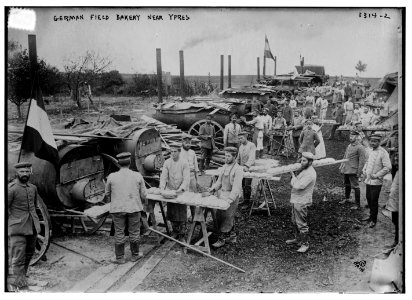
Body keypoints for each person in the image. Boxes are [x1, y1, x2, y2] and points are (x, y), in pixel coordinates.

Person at [105, 152, 147, 264]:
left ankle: (119, 258)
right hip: (134, 208)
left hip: (117, 209)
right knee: (134, 232)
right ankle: (135, 255)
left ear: (118, 163)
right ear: (130, 163)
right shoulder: (138, 176)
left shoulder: (111, 176)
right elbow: (144, 195)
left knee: (119, 233)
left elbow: (107, 194)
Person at [8, 162, 41, 290]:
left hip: (32, 226)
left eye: (27, 171)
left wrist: (36, 224)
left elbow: (33, 206)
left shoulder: (33, 188)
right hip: (17, 229)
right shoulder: (11, 189)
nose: (25, 174)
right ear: (17, 173)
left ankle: (23, 278)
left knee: (29, 253)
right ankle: (19, 284)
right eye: (22, 172)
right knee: (18, 258)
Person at [208, 147, 244, 248]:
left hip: (231, 196)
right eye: (225, 156)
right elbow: (219, 182)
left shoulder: (238, 169)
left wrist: (230, 200)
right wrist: (213, 189)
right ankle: (232, 236)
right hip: (222, 194)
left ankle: (222, 239)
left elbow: (236, 188)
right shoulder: (224, 167)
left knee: (227, 217)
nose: (226, 158)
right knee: (220, 216)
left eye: (228, 156)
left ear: (234, 156)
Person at [286, 152, 317, 253]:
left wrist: (292, 175)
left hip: (302, 200)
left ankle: (305, 244)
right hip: (296, 199)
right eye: (301, 160)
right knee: (294, 220)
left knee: (301, 223)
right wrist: (294, 175)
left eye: (304, 161)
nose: (301, 162)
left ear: (310, 162)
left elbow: (299, 186)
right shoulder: (305, 170)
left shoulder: (310, 173)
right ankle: (298, 239)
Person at [160, 145, 190, 242]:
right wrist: (162, 188)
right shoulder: (167, 162)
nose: (173, 153)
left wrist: (181, 189)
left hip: (181, 191)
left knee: (181, 213)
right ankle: (175, 231)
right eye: (171, 151)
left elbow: (186, 178)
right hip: (171, 190)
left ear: (179, 152)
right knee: (172, 212)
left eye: (175, 151)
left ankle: (182, 234)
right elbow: (163, 176)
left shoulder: (184, 163)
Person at [361, 134, 392, 228]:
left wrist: (377, 175)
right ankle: (370, 216)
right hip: (368, 180)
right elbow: (367, 161)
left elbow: (388, 167)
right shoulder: (370, 150)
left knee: (374, 200)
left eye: (375, 141)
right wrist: (364, 170)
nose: (372, 143)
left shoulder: (383, 153)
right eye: (371, 141)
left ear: (379, 142)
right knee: (369, 198)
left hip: (376, 181)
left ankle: (373, 220)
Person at [339, 131, 367, 210]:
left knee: (355, 186)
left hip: (353, 170)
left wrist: (359, 172)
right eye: (350, 136)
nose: (351, 137)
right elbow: (345, 157)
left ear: (357, 137)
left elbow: (362, 161)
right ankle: (347, 199)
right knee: (347, 184)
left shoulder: (360, 147)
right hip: (346, 169)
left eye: (353, 136)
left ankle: (357, 204)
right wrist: (342, 166)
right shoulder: (349, 146)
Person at [381, 152, 399, 248]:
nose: (396, 161)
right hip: (395, 203)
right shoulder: (397, 172)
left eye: (398, 159)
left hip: (399, 204)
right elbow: (394, 190)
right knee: (396, 222)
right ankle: (397, 241)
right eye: (395, 159)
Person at [237, 132, 256, 207]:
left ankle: (247, 203)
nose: (240, 140)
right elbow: (238, 157)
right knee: (242, 184)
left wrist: (247, 166)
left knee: (247, 185)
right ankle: (244, 200)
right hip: (242, 168)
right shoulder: (241, 146)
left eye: (241, 138)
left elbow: (252, 157)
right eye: (239, 138)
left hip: (249, 168)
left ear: (246, 137)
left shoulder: (251, 145)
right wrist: (234, 165)